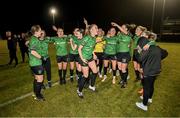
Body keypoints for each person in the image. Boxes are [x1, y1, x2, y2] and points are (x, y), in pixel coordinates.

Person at [135, 31, 162, 111]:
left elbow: (139, 58)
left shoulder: (147, 47)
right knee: (151, 85)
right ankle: (149, 98)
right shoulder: (156, 47)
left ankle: (144, 105)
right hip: (156, 70)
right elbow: (165, 53)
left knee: (146, 87)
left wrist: (137, 50)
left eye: (143, 36)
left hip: (148, 70)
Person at [77, 24, 98, 98]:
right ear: (91, 30)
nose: (97, 29)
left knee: (95, 71)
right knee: (85, 75)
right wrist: (82, 59)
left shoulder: (94, 38)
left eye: (97, 28)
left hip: (90, 57)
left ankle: (91, 86)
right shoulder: (86, 38)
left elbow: (91, 48)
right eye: (95, 28)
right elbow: (79, 49)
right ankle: (79, 91)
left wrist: (94, 54)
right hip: (84, 58)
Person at [111, 22, 133, 88]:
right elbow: (116, 42)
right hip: (119, 53)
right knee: (120, 68)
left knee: (123, 69)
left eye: (123, 27)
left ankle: (125, 81)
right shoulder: (119, 35)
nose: (121, 28)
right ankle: (122, 79)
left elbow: (125, 32)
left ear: (126, 29)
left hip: (125, 53)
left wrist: (117, 25)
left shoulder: (129, 34)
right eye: (121, 27)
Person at [29, 25, 45, 101]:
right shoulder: (34, 39)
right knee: (40, 79)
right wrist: (41, 57)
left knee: (36, 78)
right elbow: (32, 51)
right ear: (36, 32)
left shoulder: (34, 38)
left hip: (33, 63)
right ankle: (38, 96)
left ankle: (36, 92)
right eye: (40, 30)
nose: (41, 32)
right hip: (36, 63)